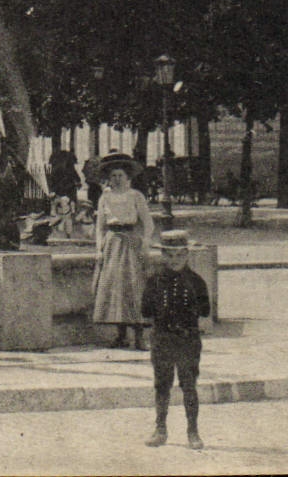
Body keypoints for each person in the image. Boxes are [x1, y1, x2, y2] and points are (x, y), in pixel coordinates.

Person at [141, 229, 211, 449]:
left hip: (187, 340)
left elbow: (205, 310)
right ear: (162, 255)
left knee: (189, 385)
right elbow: (145, 310)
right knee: (162, 384)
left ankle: (193, 432)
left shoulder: (196, 282)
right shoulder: (154, 281)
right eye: (169, 255)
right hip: (162, 339)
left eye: (180, 255)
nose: (174, 260)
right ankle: (160, 429)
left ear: (187, 254)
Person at [92, 152, 154, 349]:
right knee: (115, 288)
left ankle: (139, 336)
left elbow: (148, 223)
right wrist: (99, 249)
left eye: (120, 175)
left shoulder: (136, 196)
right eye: (113, 176)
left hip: (131, 242)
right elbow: (100, 227)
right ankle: (121, 335)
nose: (117, 179)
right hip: (112, 243)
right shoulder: (105, 198)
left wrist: (145, 244)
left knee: (134, 286)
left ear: (128, 177)